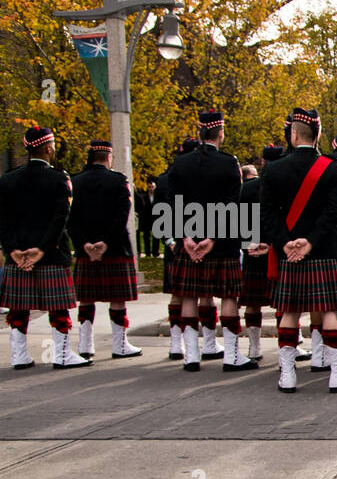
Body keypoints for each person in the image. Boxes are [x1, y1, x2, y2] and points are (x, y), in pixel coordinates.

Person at [261, 107, 337, 394]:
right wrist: (311, 241)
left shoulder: (274, 169)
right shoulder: (332, 167)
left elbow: (267, 214)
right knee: (330, 310)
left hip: (289, 253)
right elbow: (334, 212)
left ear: (293, 134)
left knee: (289, 312)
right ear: (318, 135)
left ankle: (288, 376)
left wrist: (286, 242)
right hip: (325, 250)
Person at [168, 110, 255, 372]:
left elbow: (173, 204)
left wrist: (187, 237)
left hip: (189, 241)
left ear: (199, 132)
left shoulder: (180, 163)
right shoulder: (229, 163)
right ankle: (231, 356)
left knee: (188, 296)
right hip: (222, 241)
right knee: (228, 295)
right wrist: (212, 238)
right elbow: (232, 204)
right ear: (220, 133)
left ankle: (191, 356)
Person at [1, 125, 88, 369]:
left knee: (18, 307)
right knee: (57, 306)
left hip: (17, 255)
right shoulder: (60, 178)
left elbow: (2, 221)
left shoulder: (7, 179)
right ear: (48, 148)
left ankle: (19, 355)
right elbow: (61, 218)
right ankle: (61, 355)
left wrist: (13, 250)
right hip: (50, 253)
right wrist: (41, 249)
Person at [69, 139, 142, 360]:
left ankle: (85, 345)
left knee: (86, 299)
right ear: (108, 157)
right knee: (117, 299)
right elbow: (122, 217)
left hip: (85, 250)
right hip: (115, 249)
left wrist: (85, 244)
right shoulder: (119, 181)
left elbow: (70, 220)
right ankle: (119, 345)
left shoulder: (75, 182)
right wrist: (105, 243)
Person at [238, 145, 283, 363]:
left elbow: (241, 220)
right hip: (276, 250)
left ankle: (254, 347)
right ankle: (285, 349)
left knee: (252, 303)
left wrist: (247, 244)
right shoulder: (282, 185)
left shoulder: (248, 187)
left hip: (253, 250)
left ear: (263, 162)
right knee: (282, 303)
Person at [154, 137, 197, 360]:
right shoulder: (194, 177)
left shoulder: (163, 180)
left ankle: (176, 343)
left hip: (177, 242)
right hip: (189, 241)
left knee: (178, 294)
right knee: (198, 295)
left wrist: (169, 239)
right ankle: (200, 343)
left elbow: (159, 214)